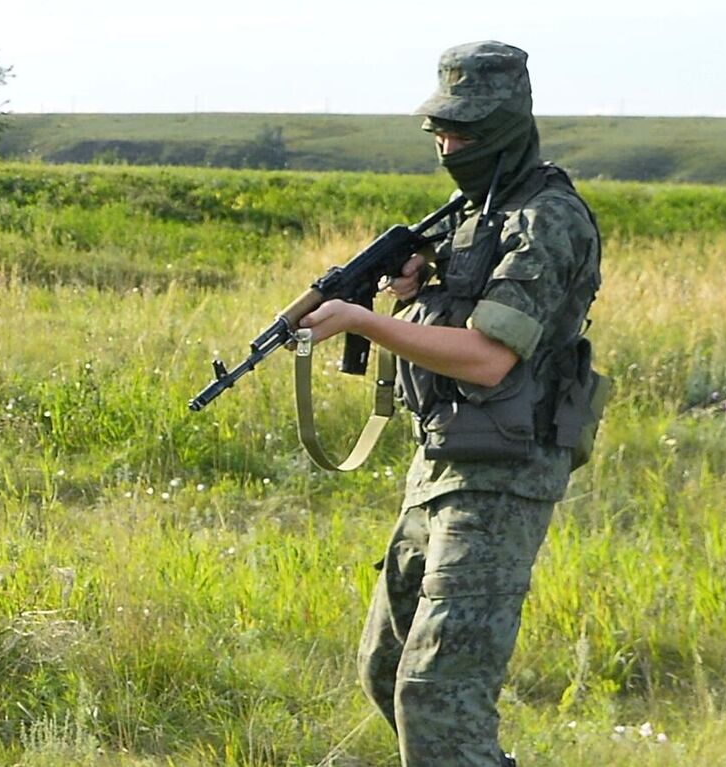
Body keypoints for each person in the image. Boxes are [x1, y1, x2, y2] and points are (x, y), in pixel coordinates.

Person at [297, 42, 605, 766]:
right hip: (440, 465)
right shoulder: (469, 217)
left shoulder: (546, 219)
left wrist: (368, 322)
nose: (447, 146)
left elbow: (489, 355)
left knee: (439, 695)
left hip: (503, 474)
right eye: (440, 130)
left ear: (505, 127)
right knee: (386, 669)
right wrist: (418, 285)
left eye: (464, 134)